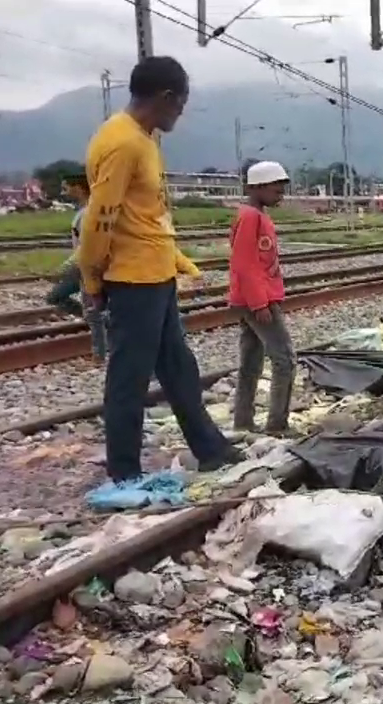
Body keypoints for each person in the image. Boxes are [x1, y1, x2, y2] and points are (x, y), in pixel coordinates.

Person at [78, 56, 242, 483]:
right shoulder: (124, 142)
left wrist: (178, 261)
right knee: (129, 377)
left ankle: (210, 448)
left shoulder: (143, 138)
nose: (181, 113)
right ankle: (125, 472)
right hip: (132, 280)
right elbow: (101, 217)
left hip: (154, 274)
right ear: (167, 97)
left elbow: (147, 214)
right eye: (181, 104)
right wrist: (91, 278)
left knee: (177, 367)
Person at [228, 160, 295, 434]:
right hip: (256, 301)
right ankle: (277, 424)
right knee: (285, 359)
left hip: (251, 299)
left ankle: (243, 422)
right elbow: (244, 264)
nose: (280, 192)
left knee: (252, 361)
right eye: (276, 187)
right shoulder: (251, 217)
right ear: (257, 187)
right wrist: (259, 303)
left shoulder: (255, 215)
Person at [44, 173, 108, 362]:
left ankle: (99, 356)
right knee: (59, 298)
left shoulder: (89, 213)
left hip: (88, 267)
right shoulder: (84, 211)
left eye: (66, 188)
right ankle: (103, 331)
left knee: (93, 312)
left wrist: (62, 270)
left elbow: (86, 247)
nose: (64, 192)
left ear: (79, 188)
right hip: (82, 266)